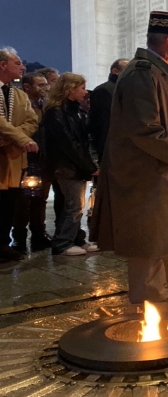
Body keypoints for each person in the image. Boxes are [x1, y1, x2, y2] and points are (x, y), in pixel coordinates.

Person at [91, 11, 168, 304]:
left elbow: (162, 127)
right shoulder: (142, 74)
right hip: (143, 174)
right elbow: (144, 130)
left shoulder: (156, 73)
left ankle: (162, 288)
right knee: (146, 238)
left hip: (158, 169)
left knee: (159, 234)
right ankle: (149, 301)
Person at [42, 73, 99, 256]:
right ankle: (62, 243)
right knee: (73, 204)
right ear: (70, 89)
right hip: (66, 165)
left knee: (77, 204)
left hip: (75, 165)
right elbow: (67, 143)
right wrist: (88, 166)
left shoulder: (76, 111)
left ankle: (77, 239)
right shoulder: (56, 112)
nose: (85, 92)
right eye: (81, 88)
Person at [0, 47, 40, 261]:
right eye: (17, 63)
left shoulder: (19, 95)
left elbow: (32, 120)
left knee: (9, 204)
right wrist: (21, 139)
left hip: (13, 157)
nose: (22, 67)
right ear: (3, 65)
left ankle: (3, 245)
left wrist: (13, 138)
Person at [12, 72, 52, 253]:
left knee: (40, 199)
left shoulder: (46, 106)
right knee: (24, 201)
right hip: (26, 158)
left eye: (46, 85)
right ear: (27, 87)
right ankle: (19, 238)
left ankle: (39, 234)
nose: (45, 88)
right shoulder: (21, 104)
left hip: (44, 158)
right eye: (41, 85)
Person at [89, 58, 129, 162]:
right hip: (112, 149)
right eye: (128, 69)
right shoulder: (104, 90)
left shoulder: (124, 90)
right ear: (115, 71)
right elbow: (103, 123)